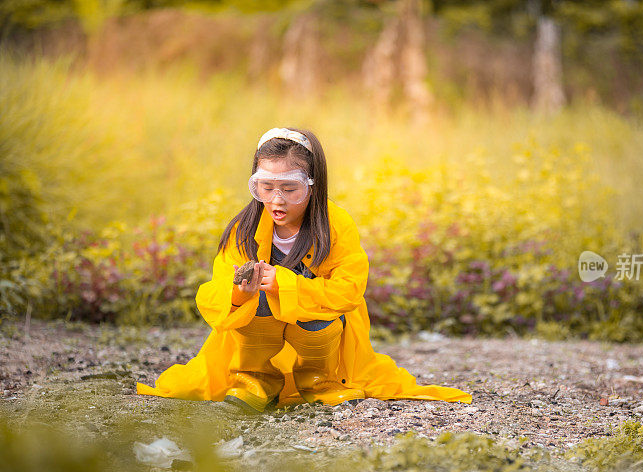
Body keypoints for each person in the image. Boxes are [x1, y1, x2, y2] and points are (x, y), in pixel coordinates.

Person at [136, 127, 472, 412]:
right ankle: (255, 379)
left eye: (290, 188)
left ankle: (318, 380)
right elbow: (215, 294)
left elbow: (349, 290)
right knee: (259, 302)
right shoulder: (244, 229)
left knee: (313, 306)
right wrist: (239, 293)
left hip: (320, 336)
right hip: (258, 337)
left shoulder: (336, 225)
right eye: (265, 187)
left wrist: (284, 282)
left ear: (312, 183)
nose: (277, 200)